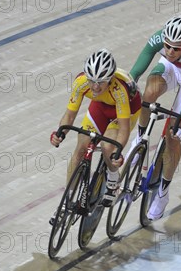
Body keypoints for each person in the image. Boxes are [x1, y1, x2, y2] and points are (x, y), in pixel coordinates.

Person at [129, 16, 181, 220]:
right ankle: (140, 138)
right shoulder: (160, 40)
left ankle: (163, 192)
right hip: (170, 69)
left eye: (176, 48)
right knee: (147, 95)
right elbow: (138, 67)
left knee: (171, 137)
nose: (170, 51)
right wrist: (131, 82)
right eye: (167, 46)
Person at [49, 49, 141, 223]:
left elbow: (123, 129)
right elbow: (69, 115)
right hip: (100, 106)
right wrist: (59, 133)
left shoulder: (119, 89)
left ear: (110, 78)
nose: (95, 86)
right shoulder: (81, 82)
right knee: (81, 148)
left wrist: (117, 153)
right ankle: (66, 201)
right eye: (92, 81)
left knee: (108, 147)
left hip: (126, 110)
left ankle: (113, 181)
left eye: (101, 82)